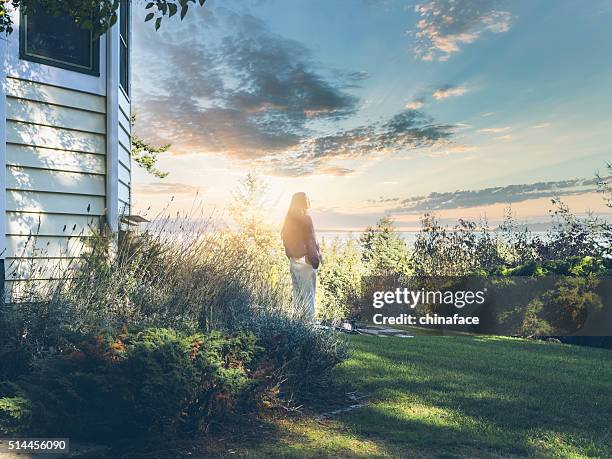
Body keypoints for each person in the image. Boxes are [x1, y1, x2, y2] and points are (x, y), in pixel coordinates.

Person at [281, 192, 321, 321]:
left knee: (298, 297)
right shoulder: (306, 218)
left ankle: (298, 326)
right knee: (309, 297)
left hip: (294, 262)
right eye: (307, 199)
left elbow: (287, 243)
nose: (309, 200)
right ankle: (310, 329)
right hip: (305, 263)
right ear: (302, 202)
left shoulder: (288, 221)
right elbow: (310, 242)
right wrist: (315, 261)